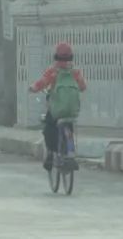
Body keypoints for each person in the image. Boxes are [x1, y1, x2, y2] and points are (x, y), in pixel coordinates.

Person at [28, 41, 86, 171]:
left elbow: (41, 84)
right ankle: (70, 153)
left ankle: (50, 154)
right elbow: (83, 87)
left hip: (56, 109)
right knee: (69, 128)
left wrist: (32, 88)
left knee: (49, 127)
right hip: (71, 111)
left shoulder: (53, 72)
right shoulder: (76, 72)